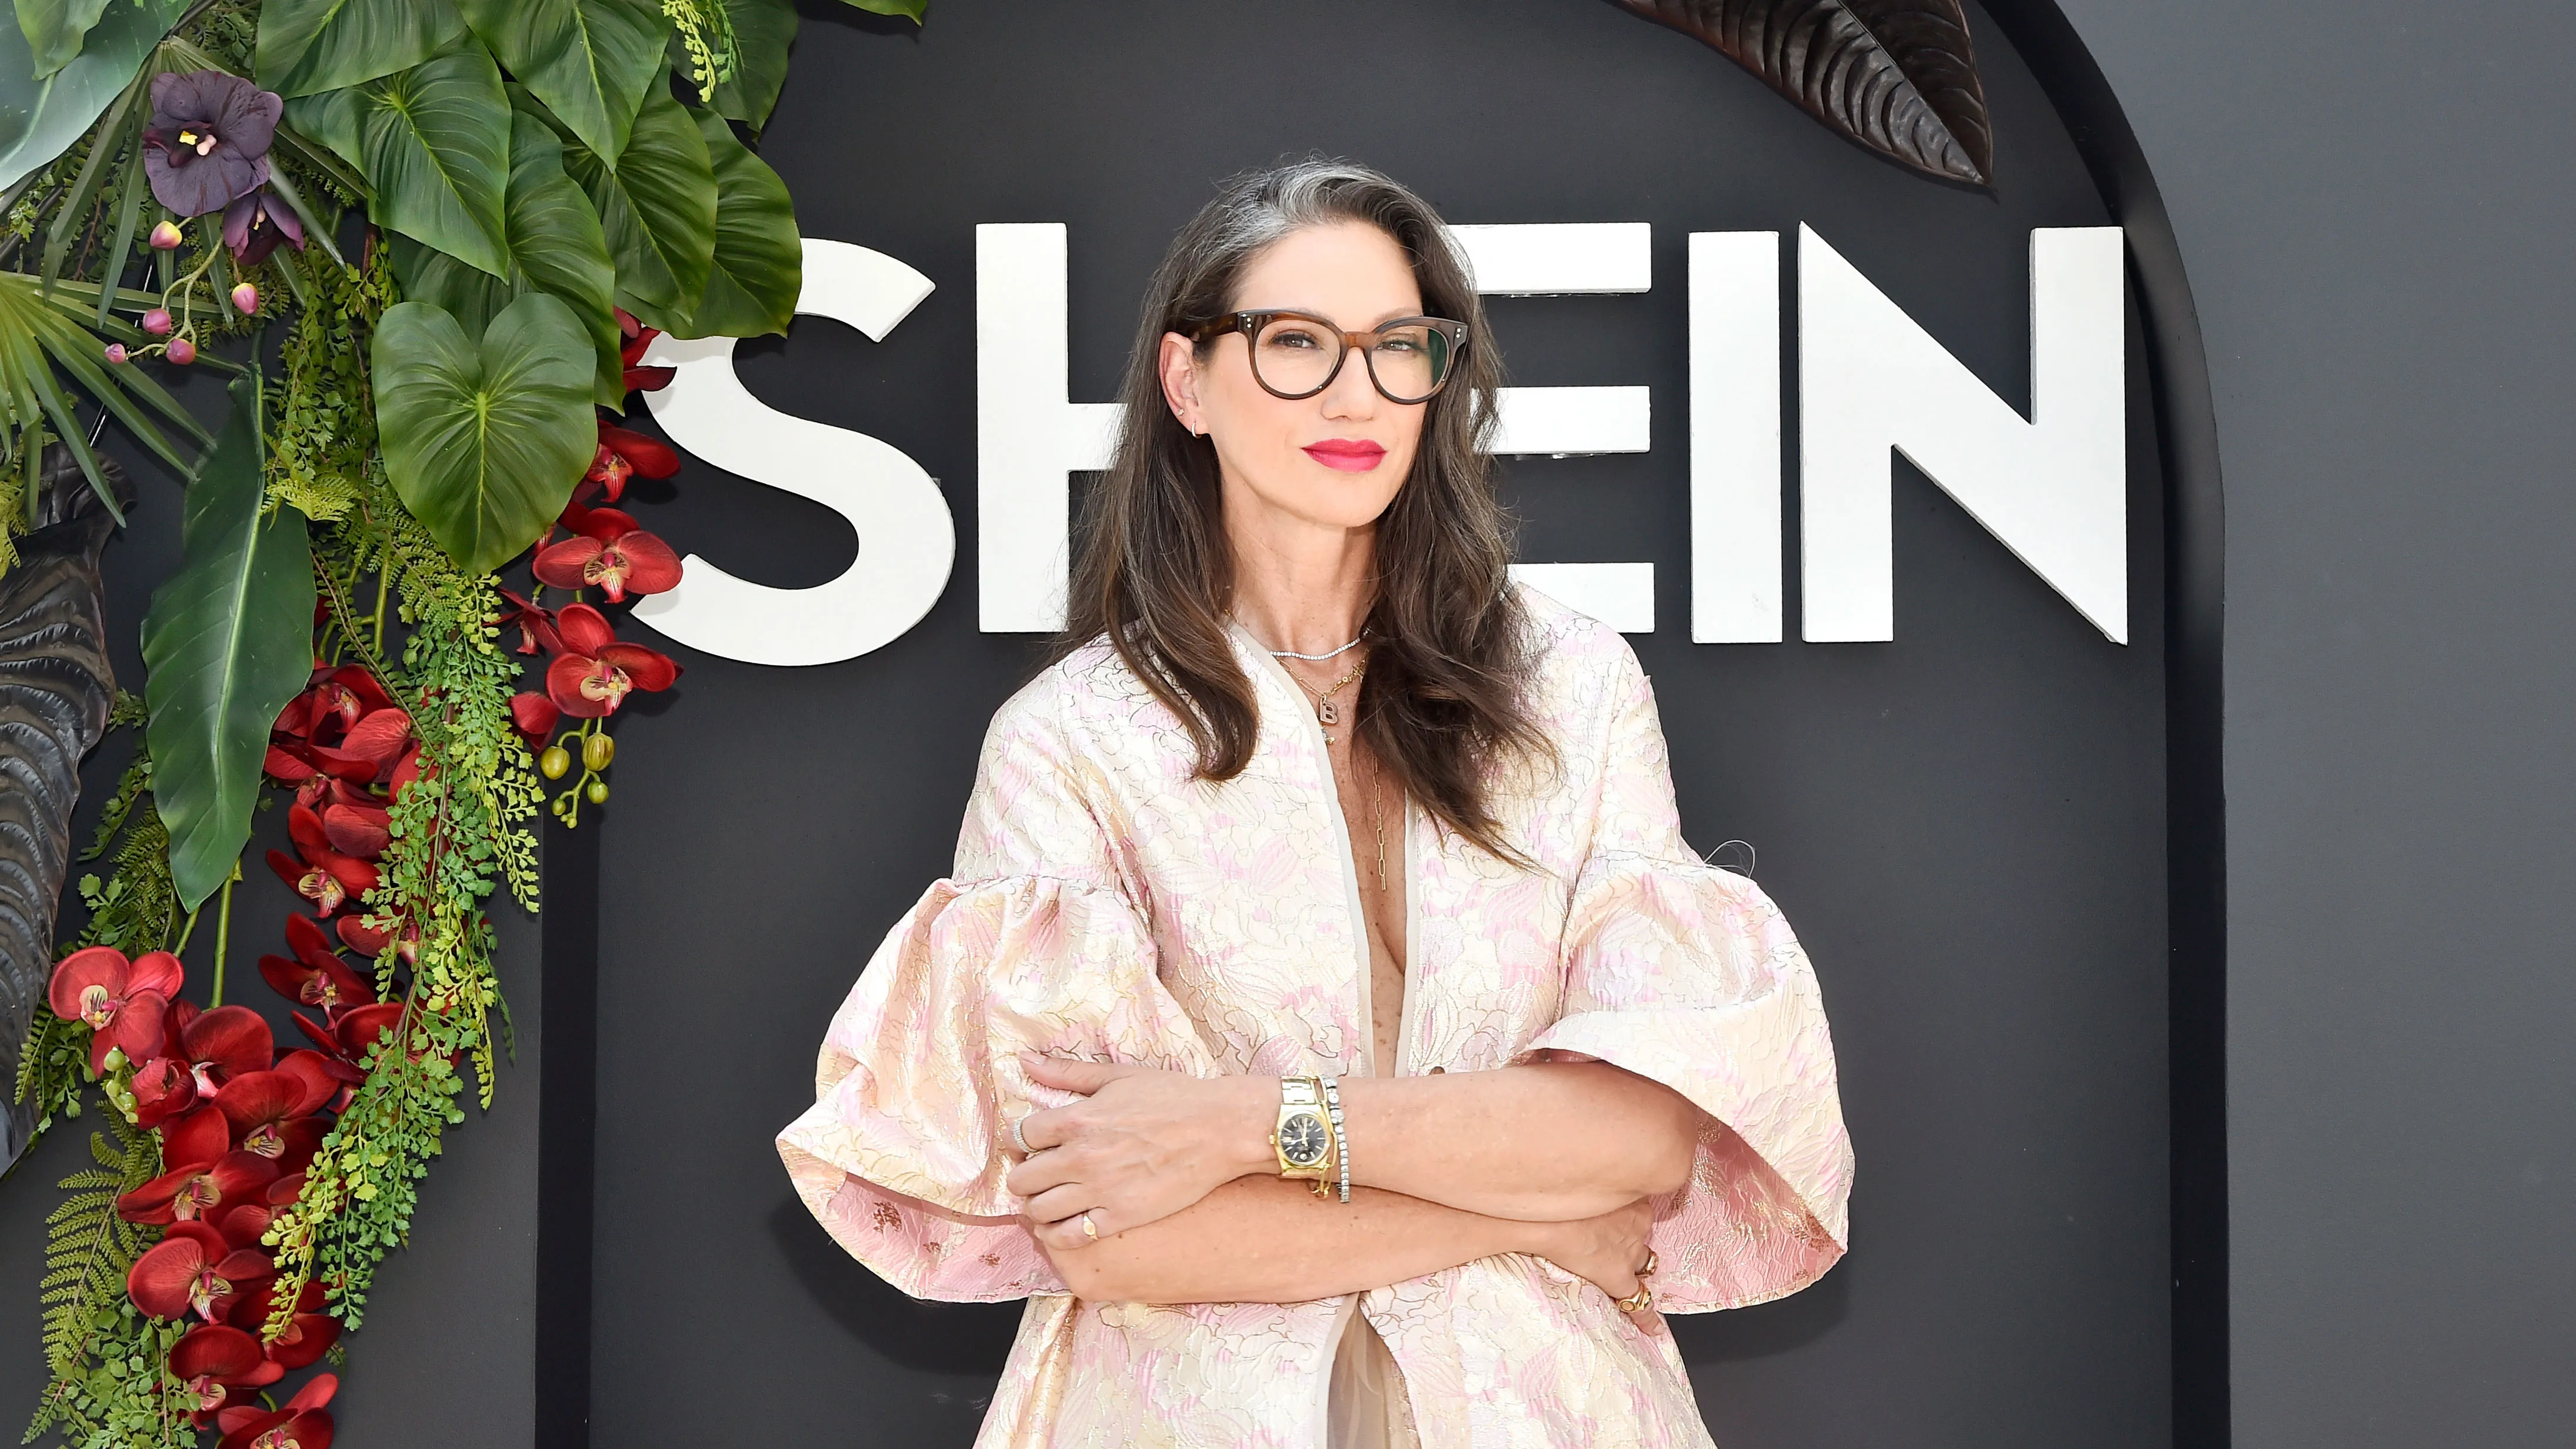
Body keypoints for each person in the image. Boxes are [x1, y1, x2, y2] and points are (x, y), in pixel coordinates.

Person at [777, 158, 1852, 1449]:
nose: (1355, 392)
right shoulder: (1067, 743)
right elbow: (1111, 1235)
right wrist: (1530, 1207)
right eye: (1296, 343)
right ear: (1187, 381)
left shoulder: (1570, 687)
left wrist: (1239, 1122)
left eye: (1399, 346)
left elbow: (1638, 1143)